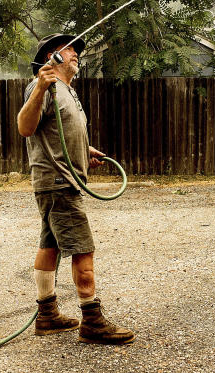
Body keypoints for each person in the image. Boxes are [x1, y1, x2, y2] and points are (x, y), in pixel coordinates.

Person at [16, 33, 134, 345]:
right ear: (52, 56)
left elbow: (58, 132)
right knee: (83, 248)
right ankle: (92, 320)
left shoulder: (67, 91)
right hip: (59, 183)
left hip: (58, 181)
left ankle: (47, 315)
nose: (76, 54)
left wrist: (86, 150)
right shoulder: (43, 87)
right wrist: (41, 86)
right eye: (70, 50)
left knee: (50, 246)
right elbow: (25, 128)